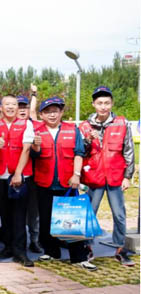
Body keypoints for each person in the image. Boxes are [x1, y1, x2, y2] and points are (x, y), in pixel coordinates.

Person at [31, 97, 95, 270]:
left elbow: (79, 153)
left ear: (61, 113)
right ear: (41, 115)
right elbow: (33, 156)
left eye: (55, 111)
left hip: (68, 183)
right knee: (46, 219)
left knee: (72, 220)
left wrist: (76, 175)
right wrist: (36, 147)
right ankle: (51, 252)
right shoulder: (36, 131)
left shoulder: (72, 130)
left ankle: (79, 256)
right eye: (48, 112)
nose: (52, 115)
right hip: (44, 182)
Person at [79, 86, 136, 266]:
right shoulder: (85, 126)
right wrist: (88, 140)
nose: (103, 106)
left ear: (112, 104)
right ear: (93, 104)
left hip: (115, 176)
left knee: (119, 214)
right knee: (90, 213)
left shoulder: (122, 123)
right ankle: (87, 247)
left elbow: (129, 150)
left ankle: (120, 248)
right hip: (94, 177)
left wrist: (127, 176)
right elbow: (80, 152)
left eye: (107, 103)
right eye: (100, 103)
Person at [0, 95, 34, 267]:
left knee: (19, 215)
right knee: (5, 215)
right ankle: (8, 247)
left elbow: (26, 149)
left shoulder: (26, 124)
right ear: (1, 107)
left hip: (20, 175)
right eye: (7, 104)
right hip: (0, 176)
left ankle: (20, 251)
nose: (11, 107)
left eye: (14, 104)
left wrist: (18, 173)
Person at [17, 94, 41, 254]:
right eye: (19, 107)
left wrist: (36, 146)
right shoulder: (9, 126)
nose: (22, 110)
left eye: (24, 107)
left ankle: (34, 240)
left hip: (34, 175)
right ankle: (16, 242)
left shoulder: (38, 126)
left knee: (34, 212)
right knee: (17, 212)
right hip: (14, 174)